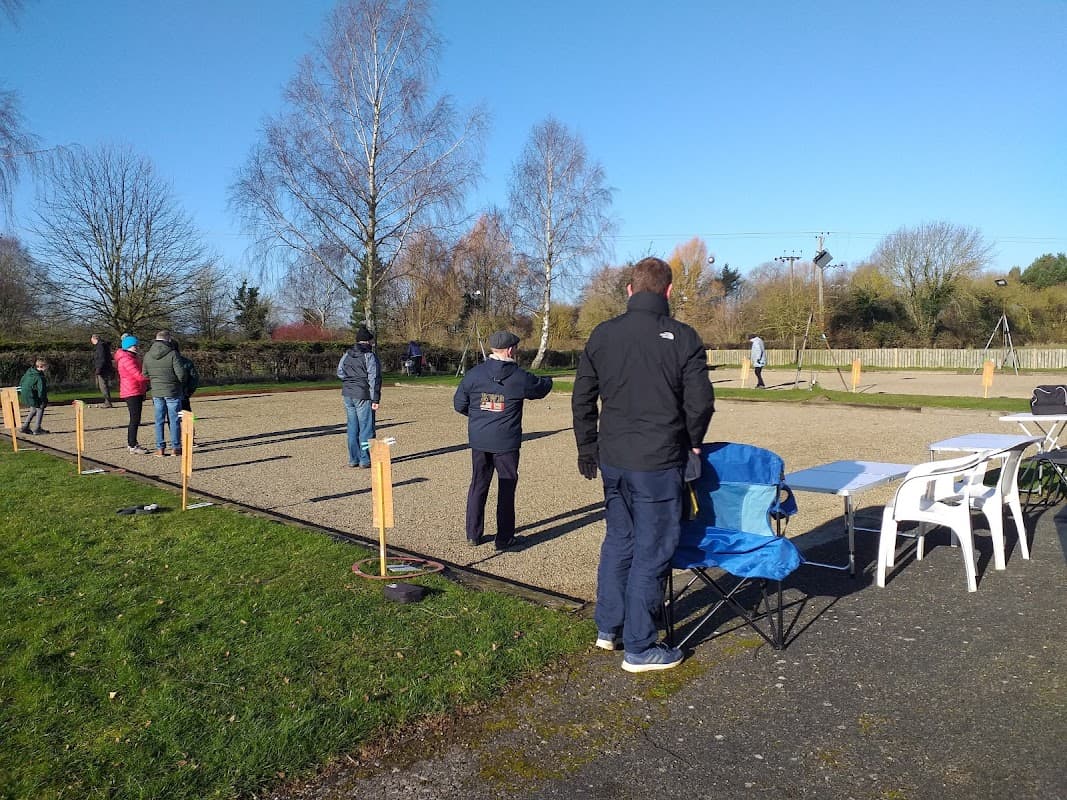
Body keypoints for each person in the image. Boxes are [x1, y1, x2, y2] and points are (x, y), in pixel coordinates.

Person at [572, 256, 715, 673]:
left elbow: (583, 397)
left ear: (630, 291)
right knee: (652, 551)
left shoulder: (603, 334)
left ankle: (607, 628)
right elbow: (700, 402)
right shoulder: (685, 337)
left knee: (620, 540)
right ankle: (640, 645)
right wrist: (692, 443)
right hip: (657, 462)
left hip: (614, 459)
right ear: (668, 291)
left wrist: (587, 447)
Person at [453, 330, 552, 551]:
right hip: (506, 442)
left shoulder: (474, 375)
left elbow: (459, 404)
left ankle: (473, 533)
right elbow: (541, 388)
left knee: (478, 484)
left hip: (479, 440)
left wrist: (481, 415)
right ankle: (504, 537)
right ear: (510, 350)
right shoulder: (519, 378)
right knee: (506, 487)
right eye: (515, 348)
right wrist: (549, 380)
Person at [337, 325, 382, 468]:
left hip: (348, 393)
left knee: (352, 427)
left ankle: (353, 458)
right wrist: (375, 398)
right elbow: (374, 378)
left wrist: (350, 381)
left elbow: (340, 372)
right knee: (366, 427)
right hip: (363, 394)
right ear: (368, 341)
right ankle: (365, 459)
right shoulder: (369, 355)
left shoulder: (347, 354)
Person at [141, 330, 186, 457]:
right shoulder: (173, 354)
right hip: (172, 390)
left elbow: (144, 374)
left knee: (159, 420)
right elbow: (181, 374)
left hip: (156, 391)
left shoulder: (148, 355)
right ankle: (176, 447)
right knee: (174, 420)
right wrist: (178, 383)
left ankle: (160, 448)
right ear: (168, 340)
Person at [115, 335, 151, 454]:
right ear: (128, 347)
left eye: (136, 345)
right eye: (133, 345)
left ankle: (132, 443)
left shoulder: (131, 357)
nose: (136, 347)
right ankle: (132, 444)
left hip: (134, 390)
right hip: (132, 391)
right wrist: (152, 378)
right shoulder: (127, 359)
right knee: (134, 419)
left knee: (135, 419)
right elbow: (139, 376)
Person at [17, 357, 49, 434]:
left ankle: (25, 427)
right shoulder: (39, 377)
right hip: (31, 394)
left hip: (24, 393)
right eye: (46, 366)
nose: (47, 368)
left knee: (34, 409)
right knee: (40, 408)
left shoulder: (29, 372)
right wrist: (43, 400)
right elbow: (41, 390)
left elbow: (21, 381)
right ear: (41, 366)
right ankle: (37, 428)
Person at [90, 334, 115, 407]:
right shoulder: (104, 345)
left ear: (94, 339)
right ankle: (107, 401)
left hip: (103, 369)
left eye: (92, 339)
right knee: (104, 385)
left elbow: (101, 358)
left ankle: (107, 402)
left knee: (103, 385)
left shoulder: (100, 346)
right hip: (106, 367)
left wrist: (99, 368)